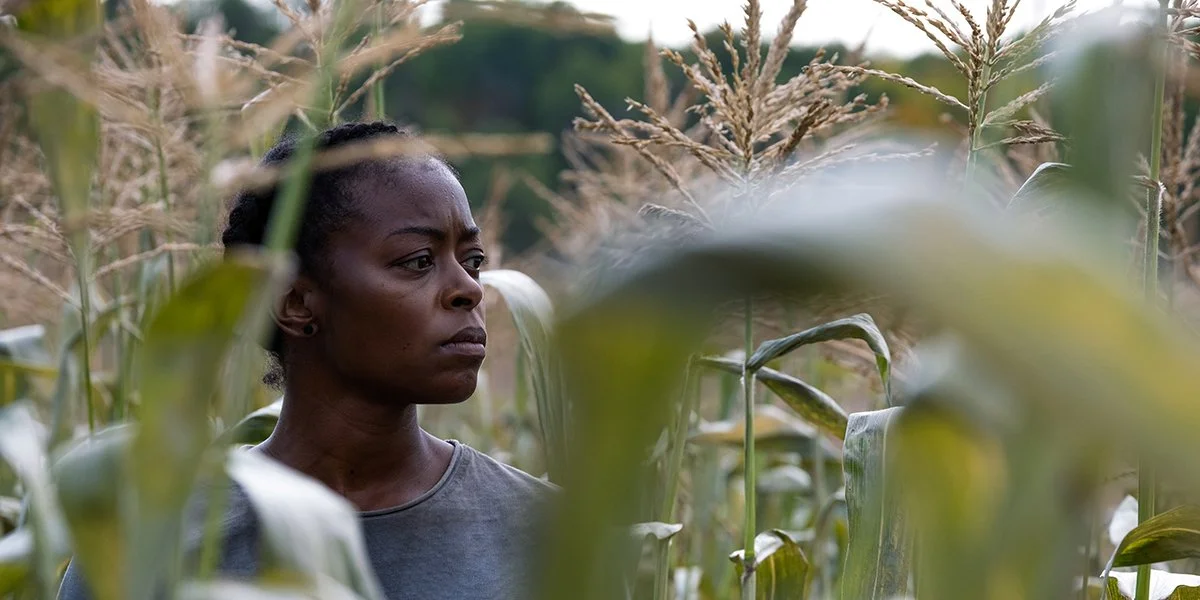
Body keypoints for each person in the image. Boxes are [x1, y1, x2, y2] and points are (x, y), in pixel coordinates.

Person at [57, 121, 556, 599]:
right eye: (418, 261)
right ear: (295, 303)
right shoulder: (150, 544)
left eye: (472, 261)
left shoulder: (549, 533)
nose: (469, 289)